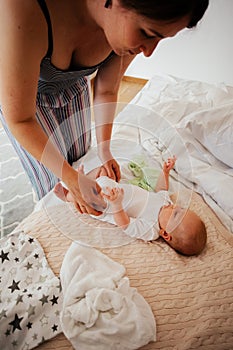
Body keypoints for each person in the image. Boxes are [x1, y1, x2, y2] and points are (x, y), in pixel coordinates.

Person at [0, 0, 209, 216]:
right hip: (25, 105)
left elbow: (107, 90)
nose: (148, 52)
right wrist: (70, 178)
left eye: (160, 39)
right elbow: (20, 119)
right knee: (55, 184)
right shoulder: (24, 9)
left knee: (79, 157)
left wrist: (104, 149)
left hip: (74, 89)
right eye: (148, 33)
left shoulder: (126, 37)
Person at [54, 157, 207, 256]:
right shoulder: (166, 203)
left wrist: (117, 204)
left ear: (166, 234)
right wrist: (165, 173)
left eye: (175, 215)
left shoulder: (150, 229)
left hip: (106, 205)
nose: (175, 207)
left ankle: (68, 195)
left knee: (91, 198)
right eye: (181, 208)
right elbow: (161, 189)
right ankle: (83, 180)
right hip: (114, 187)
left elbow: (125, 225)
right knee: (102, 171)